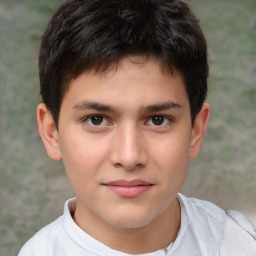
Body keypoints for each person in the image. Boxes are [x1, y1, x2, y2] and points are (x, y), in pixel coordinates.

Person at [18, 0, 256, 255]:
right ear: (52, 132)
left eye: (157, 120)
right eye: (96, 119)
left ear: (195, 131)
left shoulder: (240, 244)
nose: (129, 156)